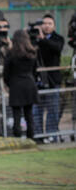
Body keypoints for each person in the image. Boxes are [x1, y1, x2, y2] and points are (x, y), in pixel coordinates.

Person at [33, 14, 65, 142]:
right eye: (44, 23)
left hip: (53, 80)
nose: (46, 26)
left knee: (52, 110)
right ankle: (39, 136)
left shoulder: (58, 39)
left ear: (54, 26)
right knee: (36, 111)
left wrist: (43, 39)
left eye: (49, 23)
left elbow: (56, 49)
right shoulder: (34, 39)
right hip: (37, 81)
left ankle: (52, 136)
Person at [3, 30, 39, 139]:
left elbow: (6, 72)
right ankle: (31, 137)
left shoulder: (11, 54)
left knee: (16, 115)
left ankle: (17, 137)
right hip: (29, 84)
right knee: (29, 115)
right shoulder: (32, 53)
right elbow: (35, 71)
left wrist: (10, 84)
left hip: (16, 85)